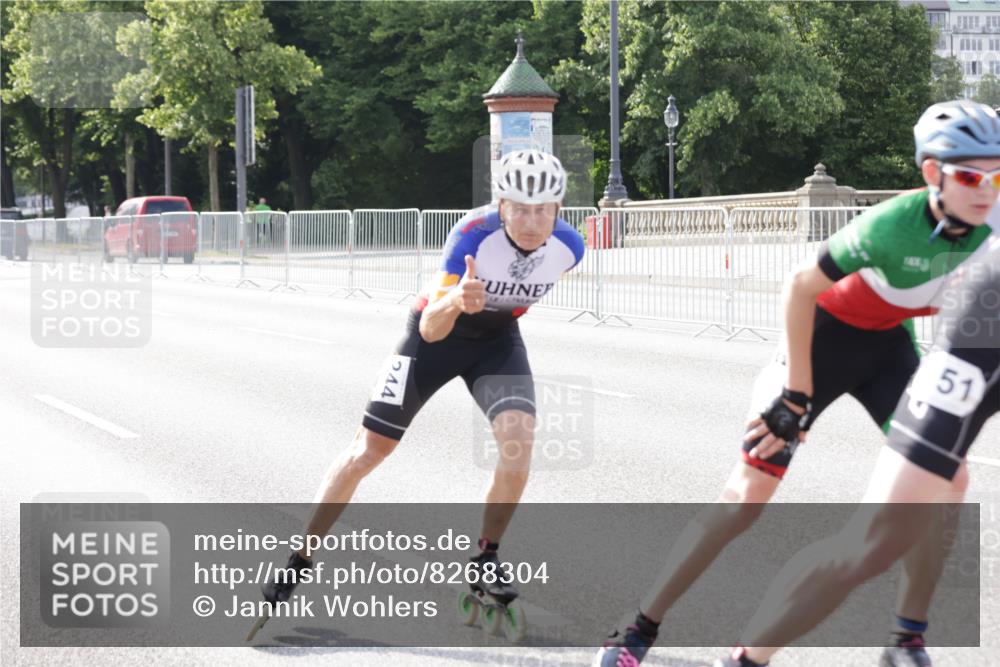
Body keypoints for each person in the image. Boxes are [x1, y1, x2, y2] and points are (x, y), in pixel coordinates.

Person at [596, 101, 1000, 667]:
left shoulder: (992, 221)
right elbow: (798, 288)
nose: (986, 190)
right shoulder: (891, 224)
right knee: (746, 497)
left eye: (997, 174)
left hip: (888, 347)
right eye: (968, 176)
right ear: (932, 174)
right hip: (821, 338)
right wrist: (795, 396)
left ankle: (907, 637)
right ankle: (637, 628)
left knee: (948, 480)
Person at [260, 150, 585, 606]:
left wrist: (489, 307)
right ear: (501, 205)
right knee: (368, 451)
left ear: (559, 210)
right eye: (520, 209)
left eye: (543, 210)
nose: (532, 222)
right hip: (433, 336)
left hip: (495, 341)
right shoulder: (472, 235)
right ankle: (300, 557)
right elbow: (432, 327)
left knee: (519, 439)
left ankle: (485, 556)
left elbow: (517, 291)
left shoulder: (571, 248)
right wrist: (456, 299)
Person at [707, 242, 999, 667]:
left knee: (950, 490)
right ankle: (747, 658)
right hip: (984, 337)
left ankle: (905, 639)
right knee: (874, 543)